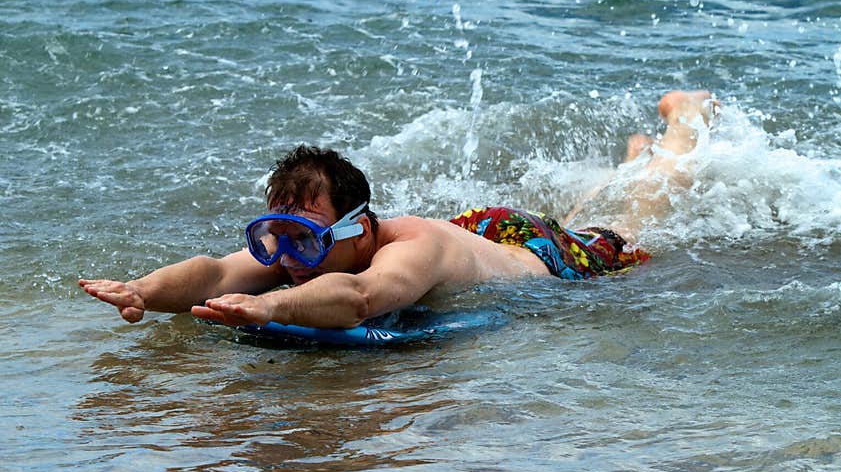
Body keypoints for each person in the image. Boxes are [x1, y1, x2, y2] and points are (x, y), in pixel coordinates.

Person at [79, 90, 716, 330]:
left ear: (358, 227)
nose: (285, 257)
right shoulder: (302, 252)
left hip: (548, 259)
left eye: (302, 237)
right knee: (588, 207)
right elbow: (215, 275)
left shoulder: (408, 253)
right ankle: (635, 156)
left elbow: (359, 299)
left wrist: (269, 306)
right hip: (479, 231)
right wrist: (140, 290)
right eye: (275, 238)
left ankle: (684, 123)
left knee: (631, 226)